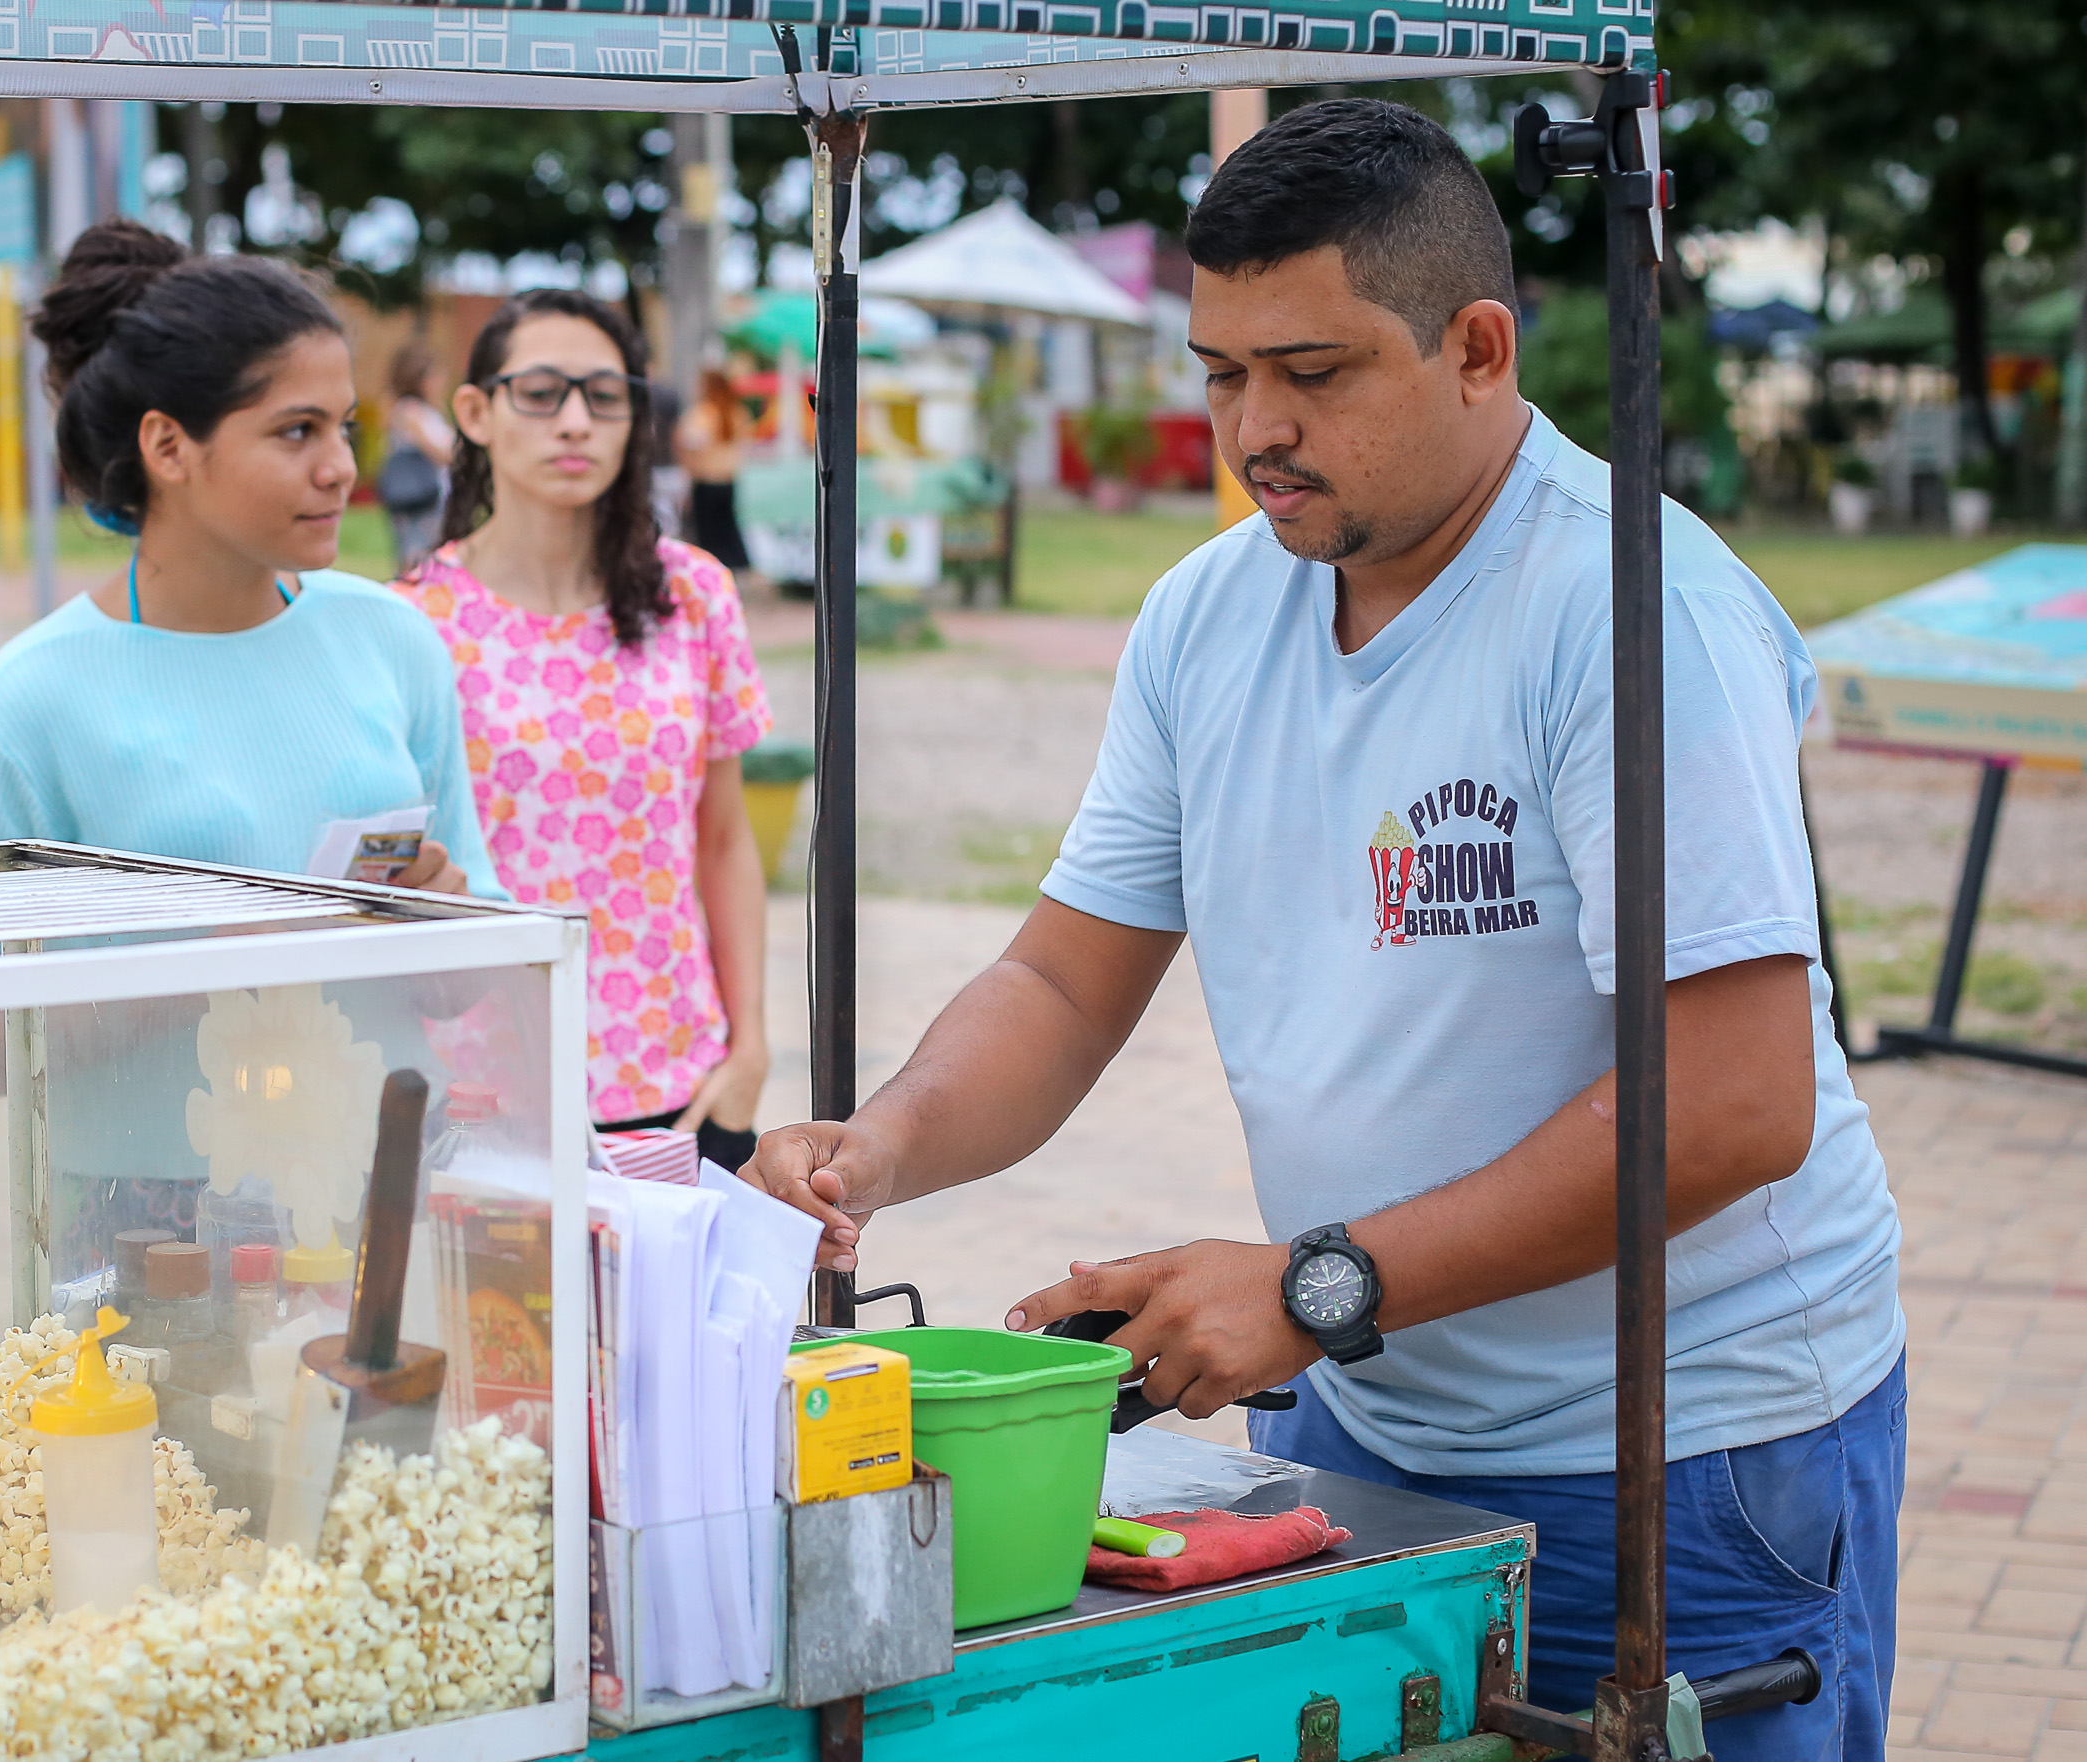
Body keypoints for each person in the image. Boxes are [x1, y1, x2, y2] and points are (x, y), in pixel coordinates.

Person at [748, 99, 1902, 1761]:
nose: (1255, 428)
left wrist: (1318, 1281)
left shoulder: (1634, 608)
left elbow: (1731, 1104)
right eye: (1222, 373)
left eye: (1315, 371)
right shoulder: (1206, 615)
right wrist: (882, 1147)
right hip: (1378, 1412)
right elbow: (1066, 977)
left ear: (1479, 349)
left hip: (1694, 1458)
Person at [0, 218, 496, 899]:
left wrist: (451, 929)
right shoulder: (20, 709)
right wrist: (185, 971)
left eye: (345, 427)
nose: (340, 467)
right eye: (297, 431)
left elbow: (482, 945)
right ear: (167, 447)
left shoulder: (394, 642)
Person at [396, 291, 772, 1170]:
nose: (574, 421)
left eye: (604, 396)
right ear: (476, 412)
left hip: (682, 1085)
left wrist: (750, 1045)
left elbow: (722, 838)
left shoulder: (695, 594)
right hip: (478, 1098)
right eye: (541, 392)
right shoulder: (413, 622)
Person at [378, 337, 456, 577]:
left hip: (433, 495)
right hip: (417, 496)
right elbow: (442, 452)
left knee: (429, 552)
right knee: (414, 551)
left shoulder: (429, 411)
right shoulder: (408, 411)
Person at [673, 365, 753, 575]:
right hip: (727, 479)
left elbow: (690, 440)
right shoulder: (736, 411)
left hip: (706, 480)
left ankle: (712, 565)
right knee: (727, 524)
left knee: (707, 529)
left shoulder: (703, 412)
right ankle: (734, 563)